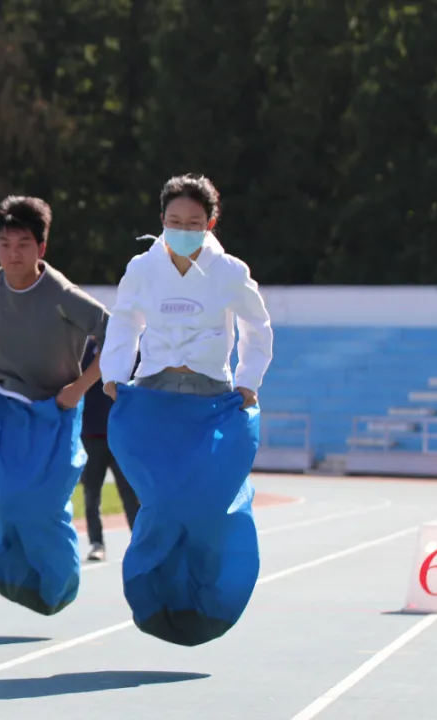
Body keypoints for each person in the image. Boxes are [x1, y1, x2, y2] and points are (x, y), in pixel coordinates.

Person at [99, 173, 273, 646]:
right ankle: (156, 596)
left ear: (210, 222)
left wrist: (247, 382)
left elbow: (258, 329)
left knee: (205, 506)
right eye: (174, 220)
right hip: (153, 395)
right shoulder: (141, 267)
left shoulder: (231, 272)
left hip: (208, 399)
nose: (182, 228)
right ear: (161, 220)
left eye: (194, 222)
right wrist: (114, 375)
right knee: (164, 503)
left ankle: (210, 596)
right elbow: (124, 322)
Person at [0, 195, 109, 616]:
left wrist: (80, 386)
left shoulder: (61, 294)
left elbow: (117, 335)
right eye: (5, 243)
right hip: (5, 406)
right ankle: (14, 575)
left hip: (55, 410)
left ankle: (59, 583)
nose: (13, 253)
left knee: (46, 505)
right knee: (8, 499)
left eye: (23, 244)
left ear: (42, 248)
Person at [79, 337, 139, 562]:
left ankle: (139, 541)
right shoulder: (86, 351)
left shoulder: (131, 348)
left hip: (122, 436)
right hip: (92, 434)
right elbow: (77, 376)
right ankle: (96, 543)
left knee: (130, 493)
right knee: (91, 493)